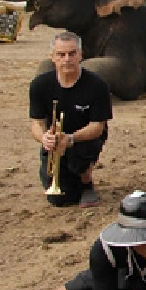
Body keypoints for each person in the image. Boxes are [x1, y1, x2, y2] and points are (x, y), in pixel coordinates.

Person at [28, 32, 112, 208]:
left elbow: (97, 126)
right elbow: (36, 122)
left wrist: (71, 139)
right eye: (61, 54)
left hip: (84, 137)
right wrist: (44, 138)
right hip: (57, 139)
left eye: (72, 53)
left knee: (80, 156)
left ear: (81, 55)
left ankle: (86, 181)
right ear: (52, 57)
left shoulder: (97, 85)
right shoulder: (39, 85)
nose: (67, 59)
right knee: (60, 199)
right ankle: (66, 177)